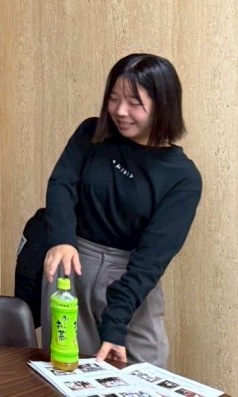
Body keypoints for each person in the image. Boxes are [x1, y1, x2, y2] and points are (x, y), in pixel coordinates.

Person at [42, 54, 202, 367]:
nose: (120, 111)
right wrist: (61, 238)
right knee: (67, 370)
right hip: (71, 268)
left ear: (163, 104)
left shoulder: (182, 177)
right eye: (113, 99)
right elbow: (62, 184)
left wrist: (115, 326)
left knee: (144, 374)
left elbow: (151, 259)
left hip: (131, 279)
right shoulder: (92, 134)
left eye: (134, 102)